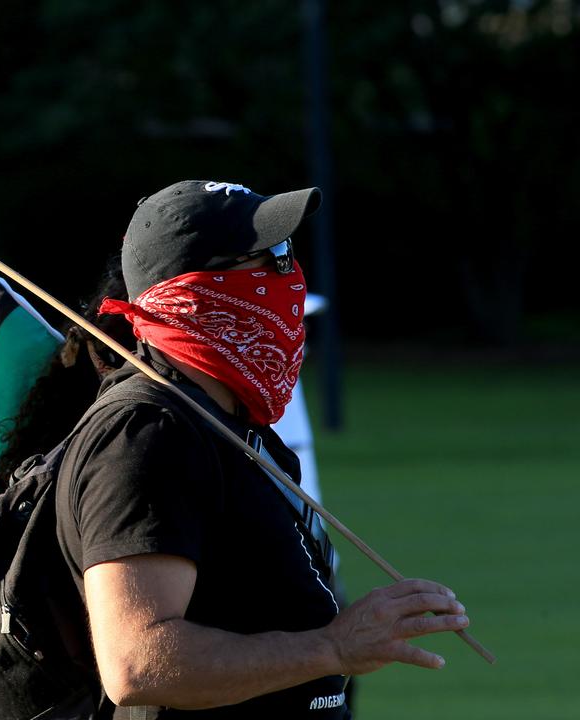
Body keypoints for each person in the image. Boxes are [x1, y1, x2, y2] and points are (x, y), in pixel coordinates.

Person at [53, 180, 468, 717]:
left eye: (289, 253)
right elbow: (137, 664)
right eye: (270, 257)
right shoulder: (149, 433)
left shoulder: (232, 426)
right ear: (194, 290)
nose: (290, 276)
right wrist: (333, 646)